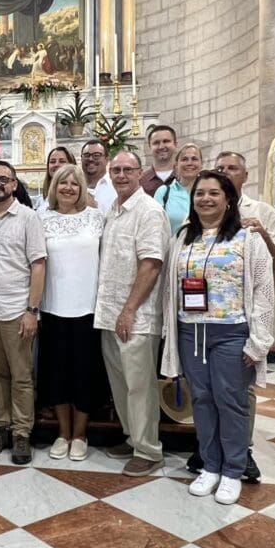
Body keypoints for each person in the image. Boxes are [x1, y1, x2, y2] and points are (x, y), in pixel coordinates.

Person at [161, 170, 275, 505]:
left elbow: (264, 290)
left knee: (231, 401)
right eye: (200, 194)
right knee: (202, 400)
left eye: (214, 193)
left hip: (231, 332)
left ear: (229, 200)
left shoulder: (247, 237)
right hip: (191, 329)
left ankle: (233, 469)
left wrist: (259, 341)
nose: (206, 199)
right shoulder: (183, 237)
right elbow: (170, 288)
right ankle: (210, 465)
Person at [213, 149, 275, 482]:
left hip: (246, 313)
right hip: (212, 314)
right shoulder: (205, 207)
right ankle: (212, 450)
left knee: (241, 389)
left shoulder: (263, 211)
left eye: (233, 168)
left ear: (245, 174)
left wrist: (264, 235)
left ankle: (243, 453)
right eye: (220, 168)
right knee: (210, 389)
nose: (227, 172)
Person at [95, 152, 169, 476]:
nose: (121, 175)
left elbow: (151, 264)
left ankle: (149, 450)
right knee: (120, 383)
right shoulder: (113, 211)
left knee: (140, 385)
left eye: (127, 169)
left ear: (140, 173)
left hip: (135, 316)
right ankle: (132, 436)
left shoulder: (149, 211)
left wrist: (129, 310)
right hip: (109, 313)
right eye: (116, 170)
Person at [0, 161, 47, 465]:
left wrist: (32, 310)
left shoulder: (28, 218)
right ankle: (1, 427)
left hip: (16, 309)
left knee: (20, 376)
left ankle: (21, 433)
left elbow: (39, 264)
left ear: (15, 184)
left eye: (4, 179)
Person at [38, 166, 107, 461]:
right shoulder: (42, 219)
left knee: (84, 374)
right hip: (53, 308)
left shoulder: (96, 218)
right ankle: (62, 433)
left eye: (74, 183)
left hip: (87, 309)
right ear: (54, 187)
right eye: (62, 183)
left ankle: (80, 434)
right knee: (57, 375)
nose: (68, 187)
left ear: (82, 188)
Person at [154, 143, 203, 234]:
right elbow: (155, 229)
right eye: (184, 159)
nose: (189, 163)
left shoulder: (208, 194)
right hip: (172, 247)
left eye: (194, 159)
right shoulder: (163, 192)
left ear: (201, 164)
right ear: (176, 165)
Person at [140, 125, 178, 196]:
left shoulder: (185, 177)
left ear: (175, 144)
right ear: (149, 147)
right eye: (156, 143)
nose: (161, 146)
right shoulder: (140, 181)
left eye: (166, 141)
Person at [37, 146, 75, 212]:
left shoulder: (80, 196)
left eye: (62, 161)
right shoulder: (41, 200)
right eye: (52, 161)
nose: (56, 164)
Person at [81, 139, 116, 211]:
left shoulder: (116, 186)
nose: (90, 159)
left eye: (96, 155)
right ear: (81, 158)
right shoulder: (75, 185)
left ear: (107, 159)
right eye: (86, 155)